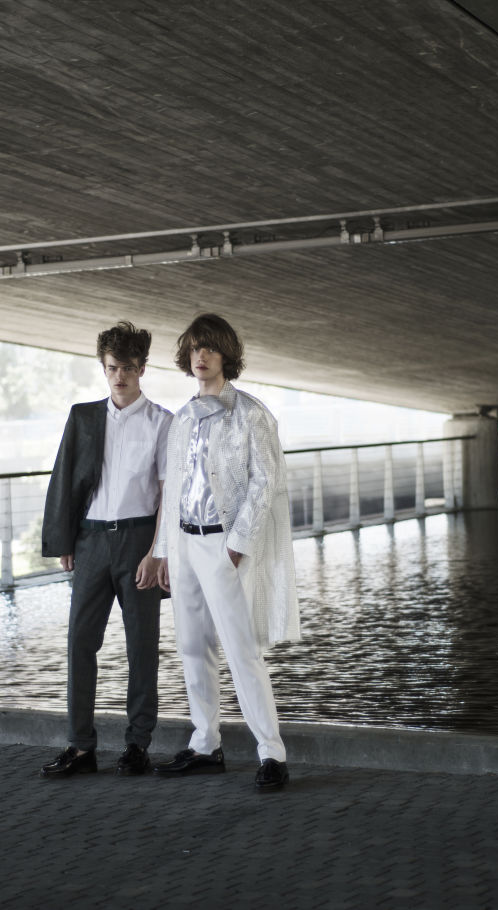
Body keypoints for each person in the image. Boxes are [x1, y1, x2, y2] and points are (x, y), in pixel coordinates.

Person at [154, 313, 300, 791]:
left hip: (223, 544)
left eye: (211, 348)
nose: (201, 356)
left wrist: (237, 545)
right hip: (185, 544)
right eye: (195, 348)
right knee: (192, 646)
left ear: (226, 356)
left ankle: (272, 753)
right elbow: (173, 488)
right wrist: (164, 551)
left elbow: (266, 481)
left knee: (241, 650)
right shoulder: (182, 418)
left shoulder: (251, 414)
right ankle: (205, 745)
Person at [40, 321, 172, 778]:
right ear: (103, 367)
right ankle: (81, 747)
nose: (120, 376)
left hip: (139, 541)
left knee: (142, 647)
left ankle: (137, 745)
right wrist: (65, 540)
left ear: (142, 369)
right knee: (80, 642)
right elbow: (63, 477)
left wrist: (158, 552)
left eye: (129, 368)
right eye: (113, 368)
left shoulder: (162, 422)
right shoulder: (83, 417)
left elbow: (167, 494)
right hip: (91, 540)